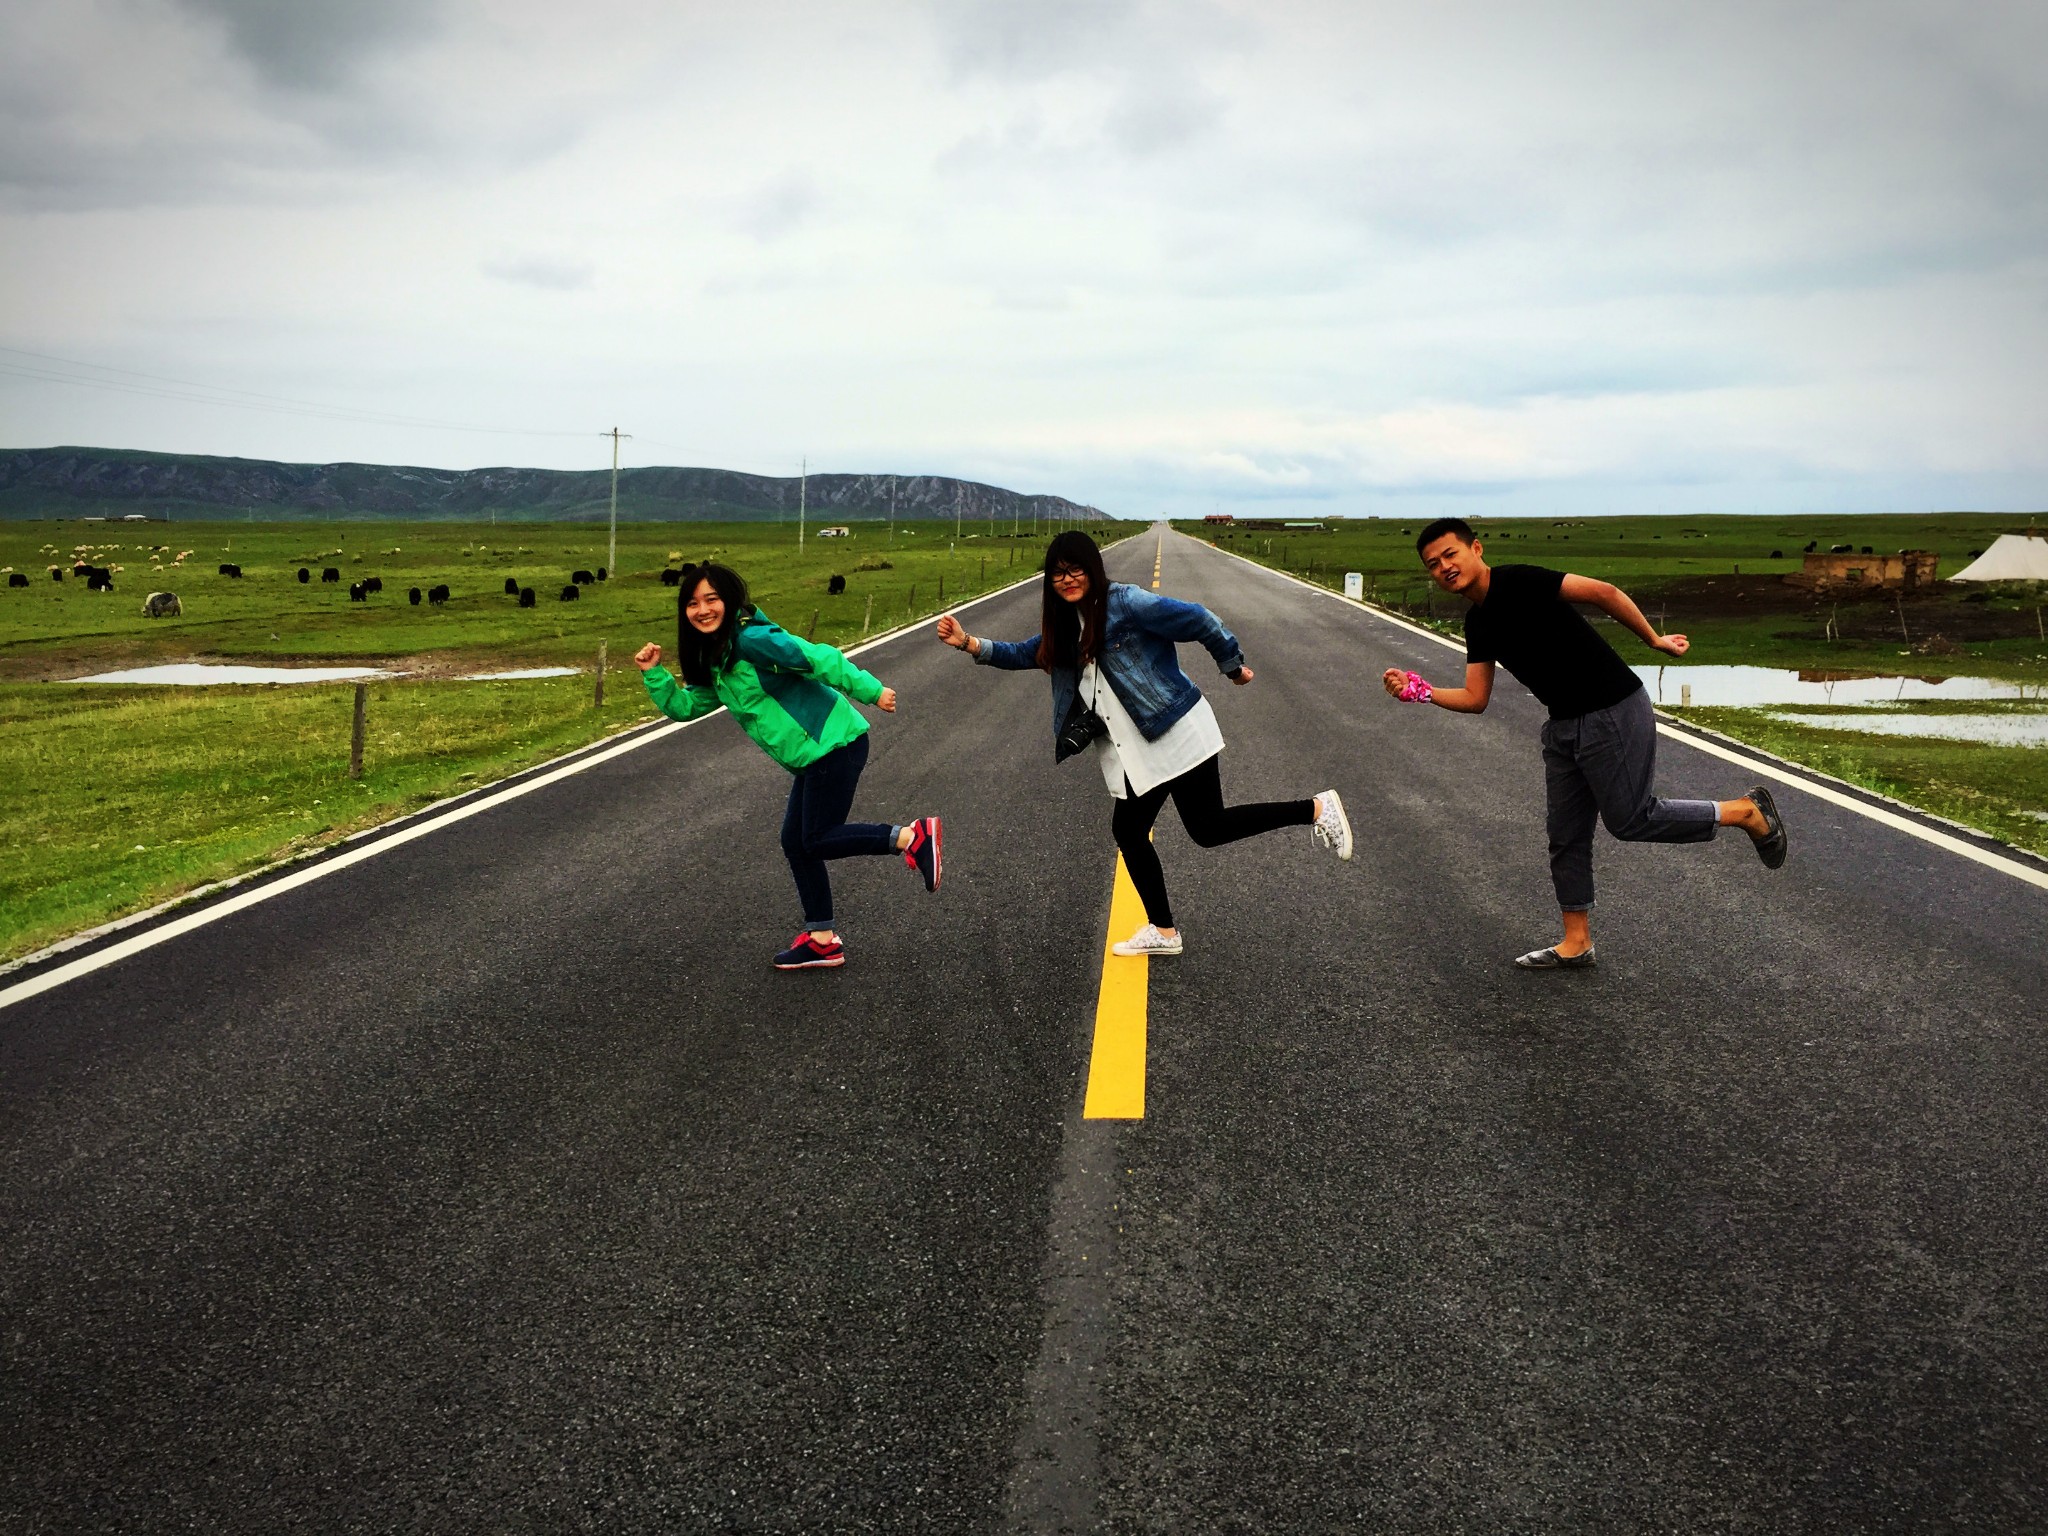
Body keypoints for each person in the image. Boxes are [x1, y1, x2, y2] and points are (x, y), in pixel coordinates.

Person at [1383, 517, 1786, 969]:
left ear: (1476, 549)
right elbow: (1476, 698)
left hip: (1611, 708)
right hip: (1563, 725)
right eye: (1433, 564)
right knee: (1565, 835)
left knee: (1631, 819)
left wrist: (1654, 640)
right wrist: (1422, 692)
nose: (1444, 567)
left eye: (1450, 554)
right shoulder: (1478, 623)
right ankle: (1576, 942)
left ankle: (1744, 812)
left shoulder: (1520, 581)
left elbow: (1603, 592)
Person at [936, 530, 1352, 956]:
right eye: (1057, 573)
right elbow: (1027, 653)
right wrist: (968, 643)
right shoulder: (1065, 623)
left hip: (1176, 730)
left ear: (1093, 568)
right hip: (1135, 746)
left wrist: (1231, 666)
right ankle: (1164, 932)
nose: (1067, 579)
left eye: (1075, 568)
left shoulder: (1126, 602)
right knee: (1135, 830)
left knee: (1204, 828)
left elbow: (1199, 618)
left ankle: (1315, 809)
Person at [635, 561, 940, 970]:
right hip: (812, 756)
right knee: (796, 841)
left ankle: (912, 837)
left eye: (711, 599)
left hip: (834, 743)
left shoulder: (752, 641)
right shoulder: (718, 658)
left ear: (730, 601)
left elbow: (817, 658)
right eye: (692, 603)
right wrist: (654, 675)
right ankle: (822, 940)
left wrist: (872, 690)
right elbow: (688, 706)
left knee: (815, 838)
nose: (702, 610)